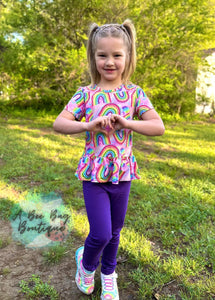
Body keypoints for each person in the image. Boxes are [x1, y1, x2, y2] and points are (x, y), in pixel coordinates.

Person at [53, 19, 165, 300]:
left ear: (128, 57)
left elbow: (158, 127)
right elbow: (59, 123)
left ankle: (109, 274)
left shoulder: (134, 94)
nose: (110, 61)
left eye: (117, 55)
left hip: (122, 174)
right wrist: (87, 125)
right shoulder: (85, 94)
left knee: (115, 232)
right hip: (94, 175)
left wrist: (128, 122)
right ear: (94, 57)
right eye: (102, 55)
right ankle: (87, 265)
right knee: (101, 233)